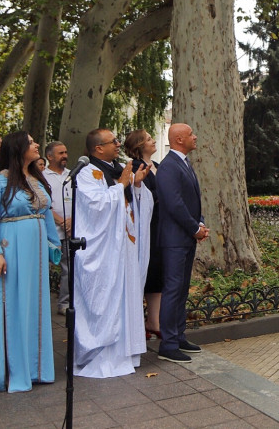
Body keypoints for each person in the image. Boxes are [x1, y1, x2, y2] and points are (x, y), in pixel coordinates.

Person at [0, 131, 61, 392]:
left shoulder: (36, 179)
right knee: (15, 305)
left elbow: (46, 214)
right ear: (18, 149)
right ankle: (17, 371)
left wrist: (54, 246)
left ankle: (38, 369)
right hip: (11, 247)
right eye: (30, 142)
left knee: (37, 304)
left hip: (36, 250)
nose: (36, 144)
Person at [73, 129, 153, 377]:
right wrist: (121, 185)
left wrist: (136, 185)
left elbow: (132, 203)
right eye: (113, 142)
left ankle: (125, 352)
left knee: (126, 296)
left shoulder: (118, 169)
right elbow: (95, 206)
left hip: (124, 246)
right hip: (105, 249)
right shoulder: (87, 173)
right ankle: (102, 353)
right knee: (107, 297)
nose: (118, 144)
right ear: (98, 148)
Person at [155, 123, 209, 361]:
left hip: (185, 237)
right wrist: (195, 228)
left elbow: (191, 200)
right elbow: (174, 204)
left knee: (182, 289)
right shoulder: (168, 166)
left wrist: (200, 223)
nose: (195, 137)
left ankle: (178, 336)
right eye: (190, 134)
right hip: (174, 240)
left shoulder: (184, 163)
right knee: (173, 289)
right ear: (178, 139)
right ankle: (167, 345)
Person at [123, 129, 164, 339]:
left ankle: (154, 320)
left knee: (157, 272)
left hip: (160, 224)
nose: (153, 141)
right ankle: (138, 320)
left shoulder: (157, 166)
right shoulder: (134, 167)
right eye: (148, 139)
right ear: (139, 145)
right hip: (145, 226)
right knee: (145, 269)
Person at [41, 141, 71, 315]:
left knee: (68, 269)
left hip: (70, 230)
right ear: (49, 156)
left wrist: (71, 221)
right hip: (50, 230)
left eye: (65, 152)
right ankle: (41, 305)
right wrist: (60, 221)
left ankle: (65, 303)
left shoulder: (72, 175)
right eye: (61, 153)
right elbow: (43, 203)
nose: (65, 156)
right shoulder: (42, 177)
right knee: (44, 268)